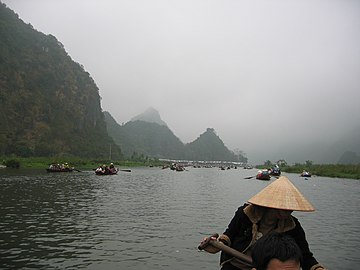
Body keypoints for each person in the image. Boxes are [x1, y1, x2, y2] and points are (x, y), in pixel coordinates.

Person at [200, 176, 326, 270]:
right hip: (235, 264)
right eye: (284, 207)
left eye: (290, 207)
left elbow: (305, 256)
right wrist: (217, 244)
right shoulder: (245, 213)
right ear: (272, 203)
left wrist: (317, 268)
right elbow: (228, 235)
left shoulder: (293, 226)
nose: (288, 211)